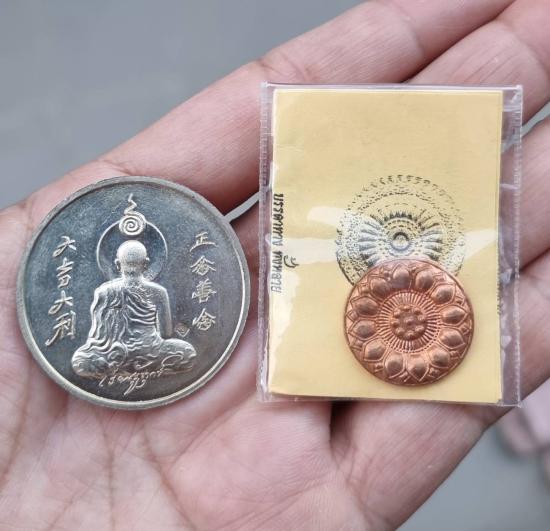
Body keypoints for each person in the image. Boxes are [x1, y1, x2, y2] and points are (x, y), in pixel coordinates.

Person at [1, 1, 550, 528]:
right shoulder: (105, 293)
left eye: (138, 262)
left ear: (146, 261)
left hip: (152, 352)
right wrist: (110, 347)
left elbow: (165, 335)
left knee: (176, 351)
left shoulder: (158, 293)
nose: (132, 271)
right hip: (120, 356)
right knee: (99, 356)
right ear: (118, 263)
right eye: (127, 263)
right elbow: (97, 339)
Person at [72, 240, 197, 379]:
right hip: (151, 351)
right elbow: (166, 333)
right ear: (146, 264)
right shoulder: (159, 292)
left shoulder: (104, 292)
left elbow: (98, 335)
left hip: (114, 353)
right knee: (187, 353)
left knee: (80, 361)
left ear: (118, 264)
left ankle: (117, 367)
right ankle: (144, 367)